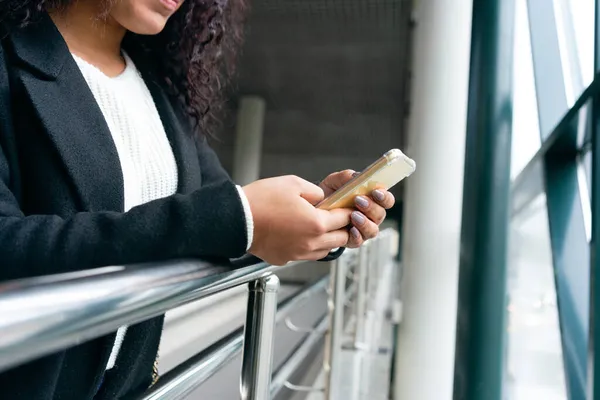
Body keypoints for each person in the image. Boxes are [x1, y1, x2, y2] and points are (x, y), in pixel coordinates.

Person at [0, 0, 395, 398]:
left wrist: (317, 215)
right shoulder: (8, 60)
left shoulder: (158, 91)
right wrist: (238, 218)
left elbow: (222, 225)